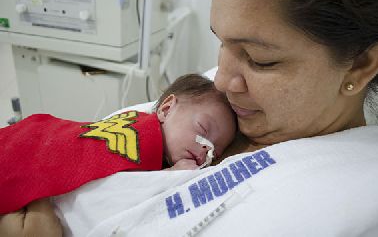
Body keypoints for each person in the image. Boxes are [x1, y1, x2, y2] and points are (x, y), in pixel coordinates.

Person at [2, 0, 378, 236]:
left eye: (260, 59)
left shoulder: (364, 196)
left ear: (362, 63)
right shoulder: (213, 95)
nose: (223, 79)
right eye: (221, 41)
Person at [0, 73, 236, 213]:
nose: (207, 148)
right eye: (203, 130)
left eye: (215, 153)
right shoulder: (142, 132)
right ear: (166, 109)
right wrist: (169, 175)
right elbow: (127, 186)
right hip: (36, 140)